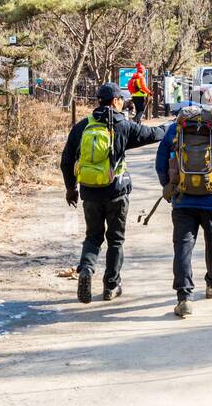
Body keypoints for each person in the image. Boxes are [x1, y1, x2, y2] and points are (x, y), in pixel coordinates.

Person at [61, 82, 165, 303]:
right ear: (116, 101)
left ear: (98, 101)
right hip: (117, 193)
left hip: (90, 193)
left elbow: (66, 160)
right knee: (115, 240)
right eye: (122, 99)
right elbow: (154, 134)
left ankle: (87, 268)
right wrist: (173, 127)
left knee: (93, 237)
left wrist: (71, 189)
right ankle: (111, 286)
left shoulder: (82, 126)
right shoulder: (124, 126)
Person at [156, 90, 212, 318]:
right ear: (209, 104)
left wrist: (169, 186)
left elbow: (160, 159)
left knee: (183, 246)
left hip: (183, 197)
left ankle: (184, 297)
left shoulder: (176, 126)